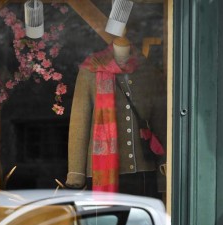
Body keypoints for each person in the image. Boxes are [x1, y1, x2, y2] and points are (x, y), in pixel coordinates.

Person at [65, 36, 166, 197]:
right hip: (102, 174)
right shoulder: (90, 70)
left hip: (144, 172)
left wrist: (164, 167)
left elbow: (161, 123)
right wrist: (76, 174)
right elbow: (79, 125)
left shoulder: (148, 72)